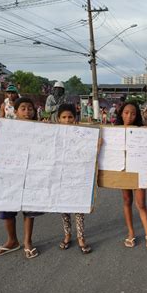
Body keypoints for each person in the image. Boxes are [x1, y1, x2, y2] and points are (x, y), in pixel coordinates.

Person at [0, 97, 42, 259]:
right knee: (7, 206)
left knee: (29, 208)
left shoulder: (41, 129)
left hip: (30, 172)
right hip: (10, 173)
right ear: (16, 111)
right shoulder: (6, 128)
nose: (27, 112)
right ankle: (12, 240)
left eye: (30, 109)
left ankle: (27, 241)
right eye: (23, 108)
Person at [114, 102, 147, 253]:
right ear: (121, 113)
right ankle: (131, 233)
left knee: (141, 203)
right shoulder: (113, 132)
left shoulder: (142, 131)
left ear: (137, 116)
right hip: (122, 170)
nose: (129, 116)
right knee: (127, 200)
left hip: (139, 171)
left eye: (133, 113)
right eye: (126, 112)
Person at [57, 104, 92, 254]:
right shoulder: (54, 135)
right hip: (61, 177)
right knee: (64, 208)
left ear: (75, 118)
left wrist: (96, 144)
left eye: (70, 117)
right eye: (63, 117)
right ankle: (67, 234)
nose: (67, 120)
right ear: (58, 119)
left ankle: (81, 237)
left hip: (78, 176)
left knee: (79, 208)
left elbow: (88, 152)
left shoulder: (82, 134)